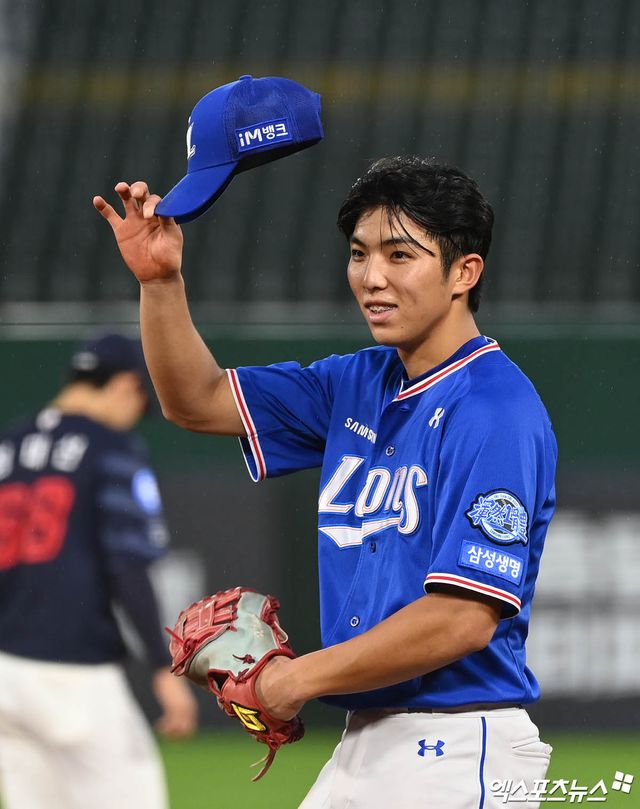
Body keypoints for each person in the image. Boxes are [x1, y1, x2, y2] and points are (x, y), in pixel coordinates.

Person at [94, 156, 557, 809]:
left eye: (400, 255)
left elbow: (461, 618)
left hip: (458, 746)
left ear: (464, 272)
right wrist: (161, 282)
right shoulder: (356, 382)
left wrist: (292, 680)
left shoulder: (495, 409)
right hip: (367, 741)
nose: (372, 276)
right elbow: (195, 400)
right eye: (359, 254)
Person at [0, 333, 197, 809]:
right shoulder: (111, 447)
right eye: (141, 404)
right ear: (126, 386)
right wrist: (163, 668)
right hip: (74, 674)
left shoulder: (8, 446)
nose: (135, 417)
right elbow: (127, 565)